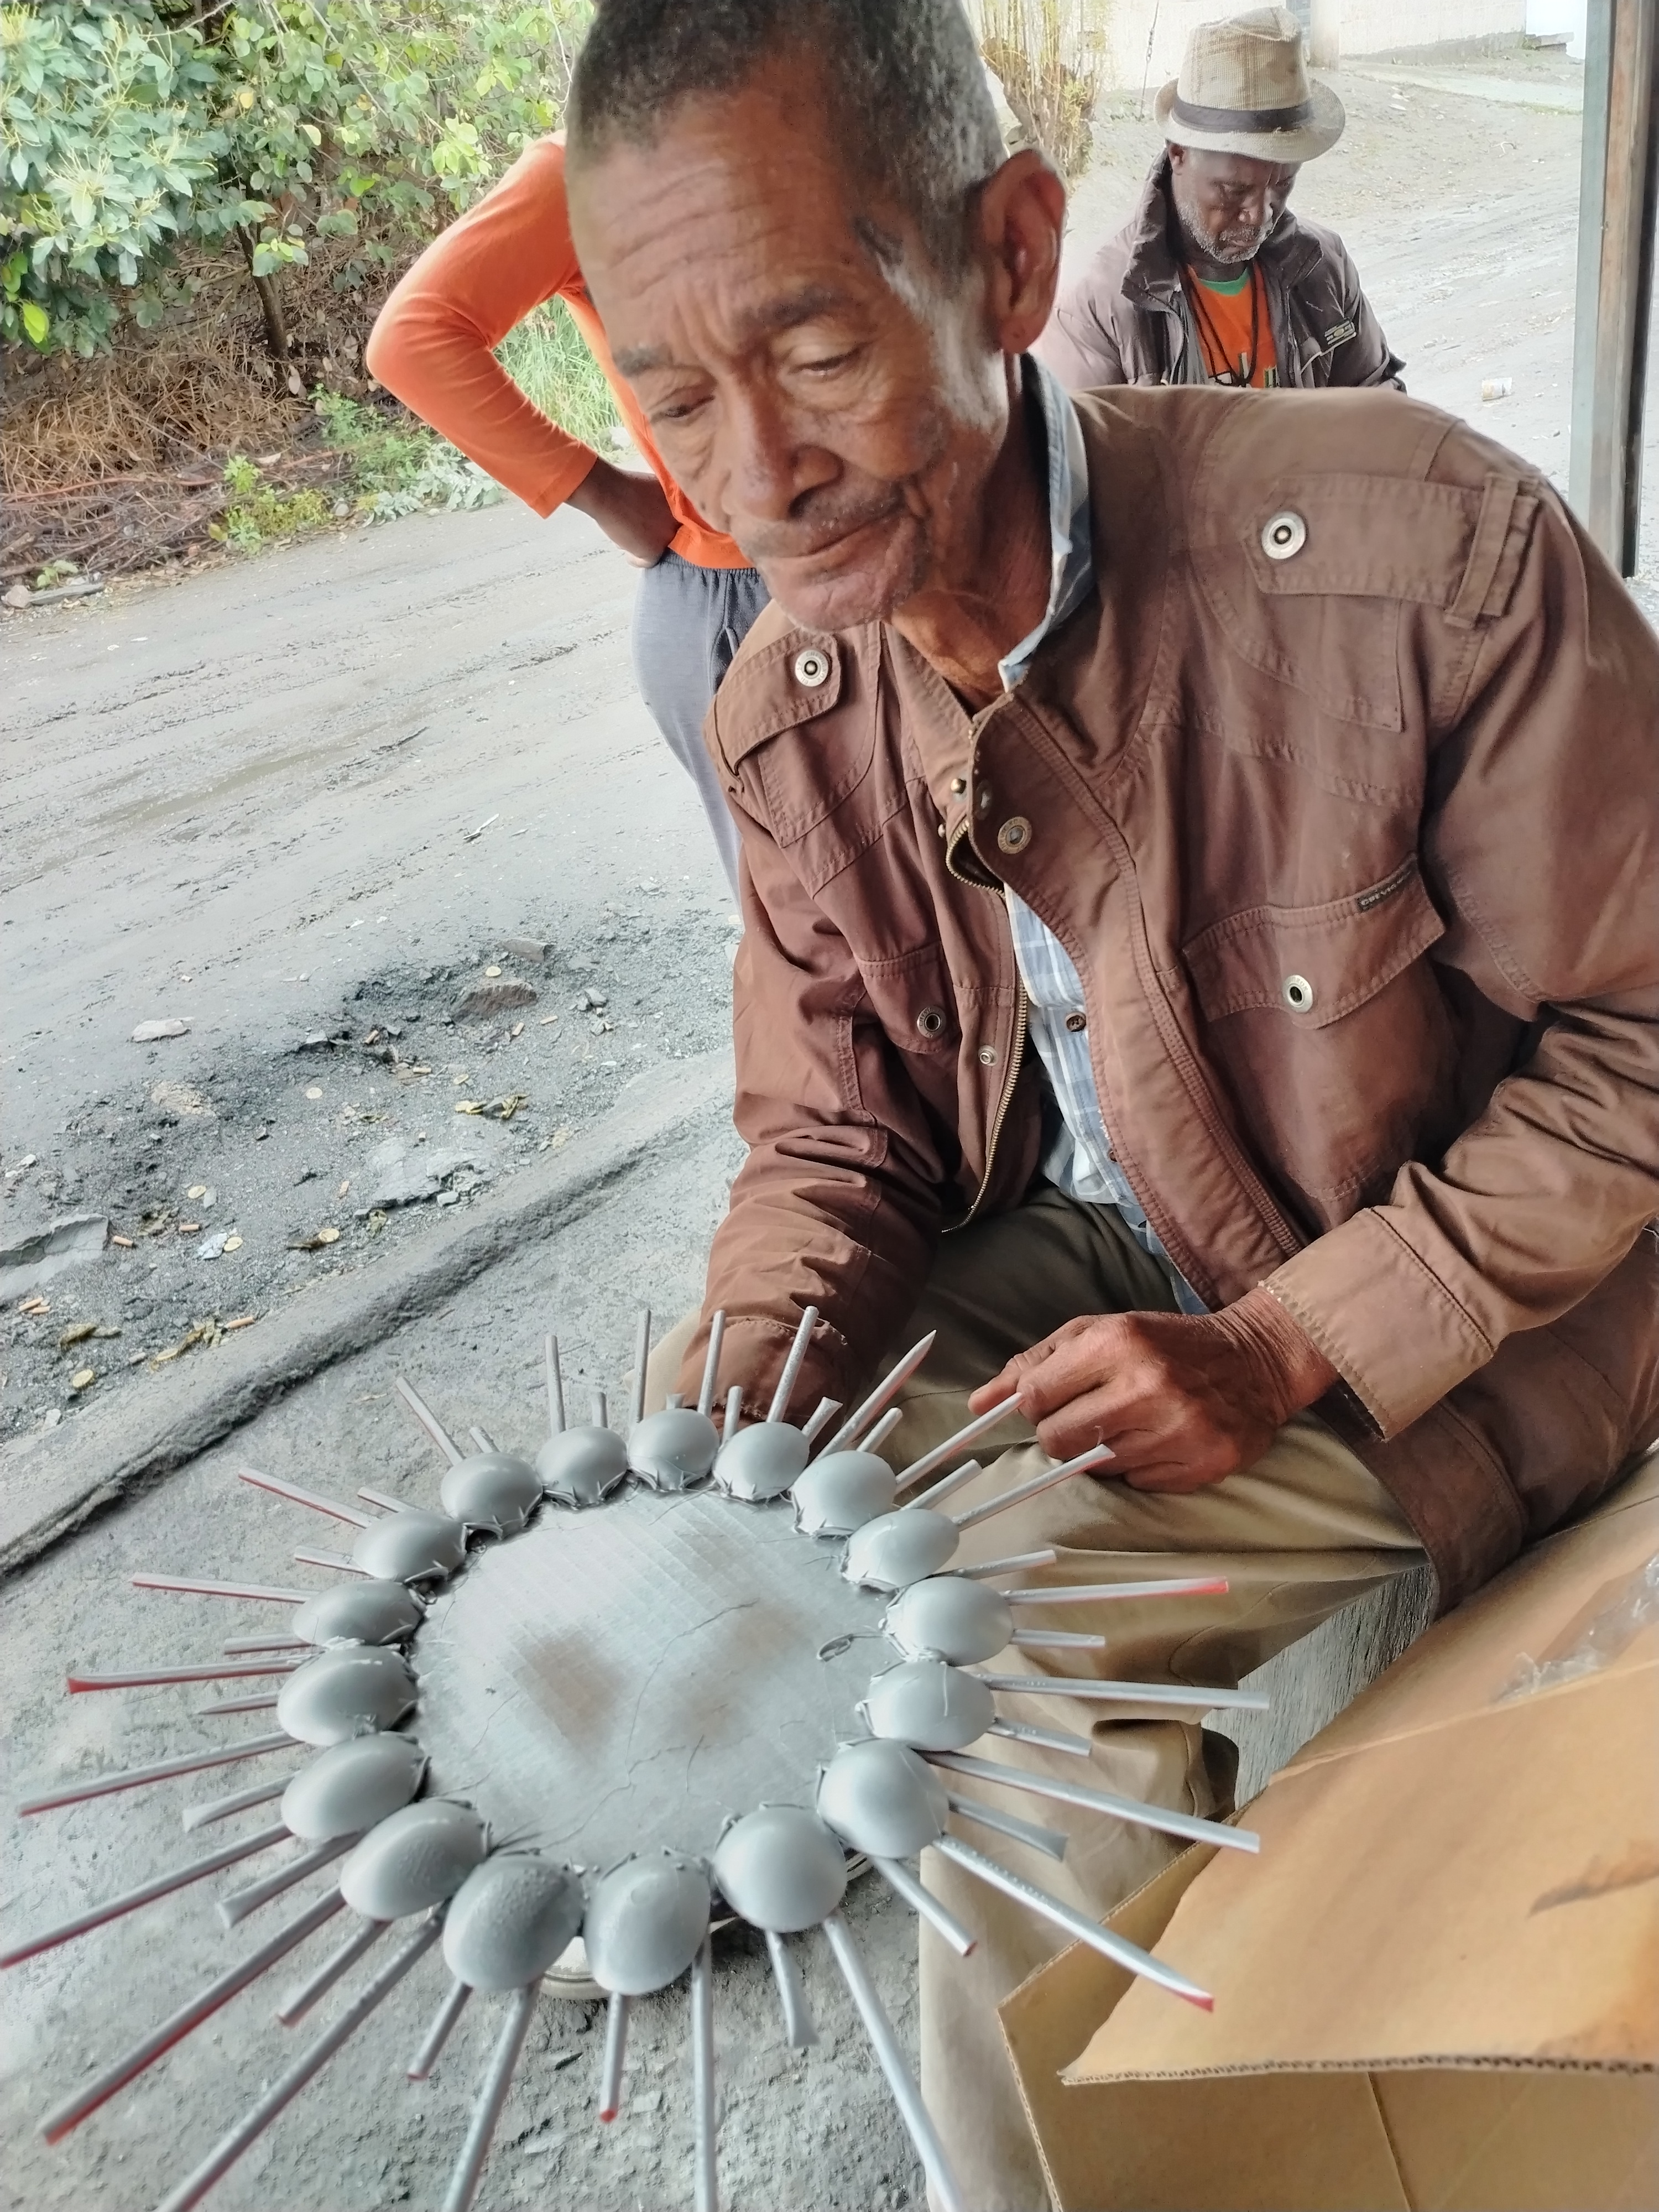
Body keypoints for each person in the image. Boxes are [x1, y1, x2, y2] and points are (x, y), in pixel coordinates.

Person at [563, 1, 1659, 2204]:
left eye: (813, 353)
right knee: (698, 1517)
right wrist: (750, 1393)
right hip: (1087, 1235)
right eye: (672, 398)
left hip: (1446, 1279)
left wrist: (1280, 1347)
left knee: (1003, 1728)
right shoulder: (790, 696)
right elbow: (839, 1133)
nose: (752, 477)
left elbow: (1643, 1052)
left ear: (1007, 258)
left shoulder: (1423, 557)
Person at [364, 137, 766, 895]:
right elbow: (415, 339)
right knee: (824, 936)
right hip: (741, 607)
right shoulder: (594, 165)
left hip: (879, 576)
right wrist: (599, 491)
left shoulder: (833, 122)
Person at [1036, 6, 1403, 393]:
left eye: (1282, 184)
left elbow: (1379, 401)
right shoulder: (1098, 303)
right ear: (1179, 153)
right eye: (1234, 190)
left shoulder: (1324, 266)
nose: (1259, 215)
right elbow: (1086, 432)